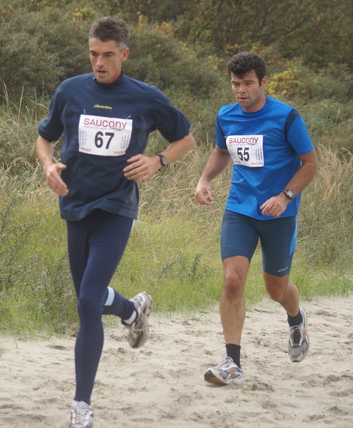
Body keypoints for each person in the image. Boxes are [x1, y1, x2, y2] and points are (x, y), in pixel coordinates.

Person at [36, 17, 195, 427]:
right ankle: (131, 309)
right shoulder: (71, 90)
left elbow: (186, 139)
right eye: (93, 54)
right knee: (88, 299)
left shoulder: (145, 97)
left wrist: (158, 160)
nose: (99, 62)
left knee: (87, 301)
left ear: (124, 54)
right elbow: (44, 137)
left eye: (108, 55)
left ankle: (81, 405)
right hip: (75, 206)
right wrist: (48, 165)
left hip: (117, 208)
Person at [195, 52, 318, 386]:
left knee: (276, 289)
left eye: (248, 83)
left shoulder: (286, 117)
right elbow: (222, 151)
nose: (241, 90)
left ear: (264, 82)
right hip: (239, 209)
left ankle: (296, 317)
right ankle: (231, 364)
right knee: (233, 280)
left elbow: (310, 164)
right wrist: (205, 179)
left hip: (279, 214)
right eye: (235, 84)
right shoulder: (227, 115)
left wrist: (285, 196)